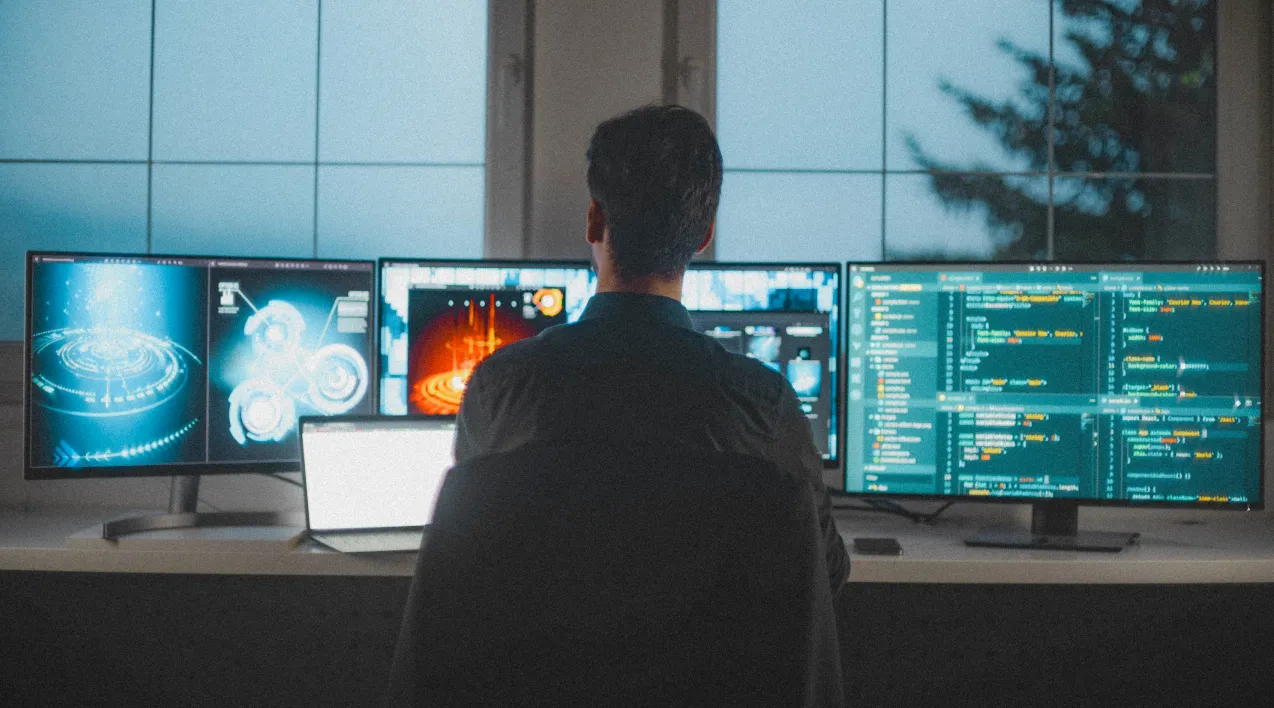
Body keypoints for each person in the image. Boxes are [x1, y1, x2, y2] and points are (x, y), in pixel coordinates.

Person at [454, 103, 849, 594]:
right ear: (703, 236)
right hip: (706, 671)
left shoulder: (499, 388)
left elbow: (466, 560)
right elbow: (826, 571)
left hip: (545, 667)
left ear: (595, 221)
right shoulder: (763, 405)